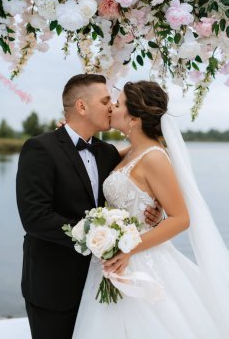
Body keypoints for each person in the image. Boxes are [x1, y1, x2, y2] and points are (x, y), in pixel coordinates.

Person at [73, 80, 229, 339]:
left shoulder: (154, 157)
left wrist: (128, 249)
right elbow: (94, 155)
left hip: (139, 260)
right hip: (115, 259)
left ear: (133, 118)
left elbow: (181, 219)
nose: (112, 106)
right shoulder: (132, 151)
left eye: (119, 103)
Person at [16, 74, 163, 339]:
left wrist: (152, 211)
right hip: (52, 285)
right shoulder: (39, 148)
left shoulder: (107, 152)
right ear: (82, 107)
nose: (111, 107)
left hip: (101, 284)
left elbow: (146, 159)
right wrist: (97, 239)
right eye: (106, 100)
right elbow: (35, 217)